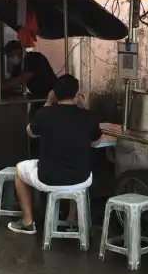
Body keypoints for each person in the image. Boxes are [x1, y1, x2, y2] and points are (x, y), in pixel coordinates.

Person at [8, 74, 103, 235]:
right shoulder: (87, 116)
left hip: (49, 177)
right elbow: (96, 142)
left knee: (19, 169)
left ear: (54, 93)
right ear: (77, 93)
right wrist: (85, 108)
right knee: (75, 165)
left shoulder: (45, 114)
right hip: (81, 178)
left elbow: (30, 132)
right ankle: (71, 218)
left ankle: (28, 222)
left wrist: (47, 102)